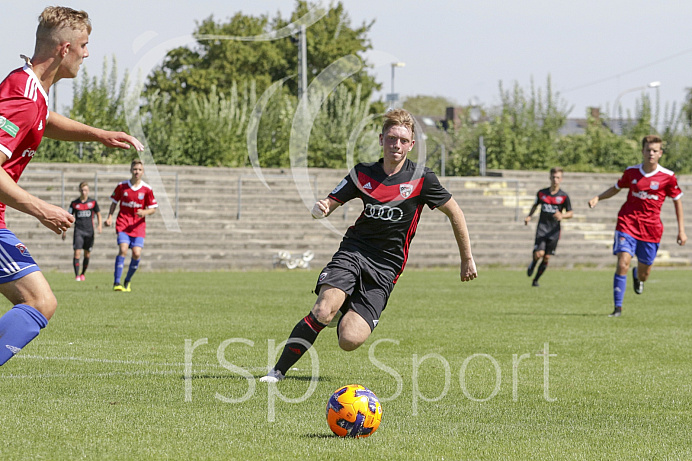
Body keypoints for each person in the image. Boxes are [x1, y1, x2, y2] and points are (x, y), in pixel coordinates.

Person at [260, 109, 477, 383]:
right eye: (390, 138)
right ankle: (277, 372)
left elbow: (455, 212)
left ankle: (344, 307)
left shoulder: (422, 178)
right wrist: (324, 206)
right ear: (381, 139)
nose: (395, 144)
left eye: (402, 140)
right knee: (322, 310)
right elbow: (332, 200)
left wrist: (466, 258)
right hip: (354, 251)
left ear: (411, 145)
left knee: (349, 339)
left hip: (386, 267)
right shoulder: (362, 173)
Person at [0, 7, 144, 366]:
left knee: (40, 302)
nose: (87, 53)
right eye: (84, 44)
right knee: (39, 302)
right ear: (64, 49)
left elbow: (42, 120)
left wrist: (98, 135)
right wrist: (41, 208)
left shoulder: (30, 89)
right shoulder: (21, 94)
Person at [588, 135, 686, 317]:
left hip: (651, 229)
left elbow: (677, 201)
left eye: (655, 150)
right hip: (628, 223)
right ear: (642, 151)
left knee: (644, 275)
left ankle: (637, 276)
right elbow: (616, 187)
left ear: (660, 153)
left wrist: (681, 230)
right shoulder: (631, 172)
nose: (651, 153)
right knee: (622, 262)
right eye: (648, 150)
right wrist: (598, 197)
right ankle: (618, 308)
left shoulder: (668, 177)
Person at [105, 160, 157, 292]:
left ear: (143, 172)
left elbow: (153, 208)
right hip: (123, 223)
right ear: (130, 170)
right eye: (135, 169)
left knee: (136, 253)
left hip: (138, 226)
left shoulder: (147, 189)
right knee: (123, 249)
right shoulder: (122, 186)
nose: (137, 172)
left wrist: (144, 212)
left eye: (139, 169)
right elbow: (114, 202)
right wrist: (110, 216)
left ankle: (127, 280)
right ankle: (117, 282)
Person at [524, 167, 573, 287]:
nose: (555, 180)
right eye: (553, 177)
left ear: (561, 179)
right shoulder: (542, 193)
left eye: (558, 177)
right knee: (539, 254)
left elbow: (570, 213)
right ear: (550, 178)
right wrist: (529, 216)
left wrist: (562, 215)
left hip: (554, 231)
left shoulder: (564, 196)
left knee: (546, 257)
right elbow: (535, 205)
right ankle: (534, 262)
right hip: (542, 228)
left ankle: (535, 280)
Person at [63, 181, 101, 281]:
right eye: (82, 190)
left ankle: (83, 273)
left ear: (88, 191)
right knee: (77, 253)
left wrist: (100, 225)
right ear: (79, 190)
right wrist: (64, 231)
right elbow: (68, 216)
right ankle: (77, 276)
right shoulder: (74, 203)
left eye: (86, 190)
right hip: (78, 231)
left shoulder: (92, 202)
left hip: (89, 232)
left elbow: (98, 214)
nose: (84, 192)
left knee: (87, 254)